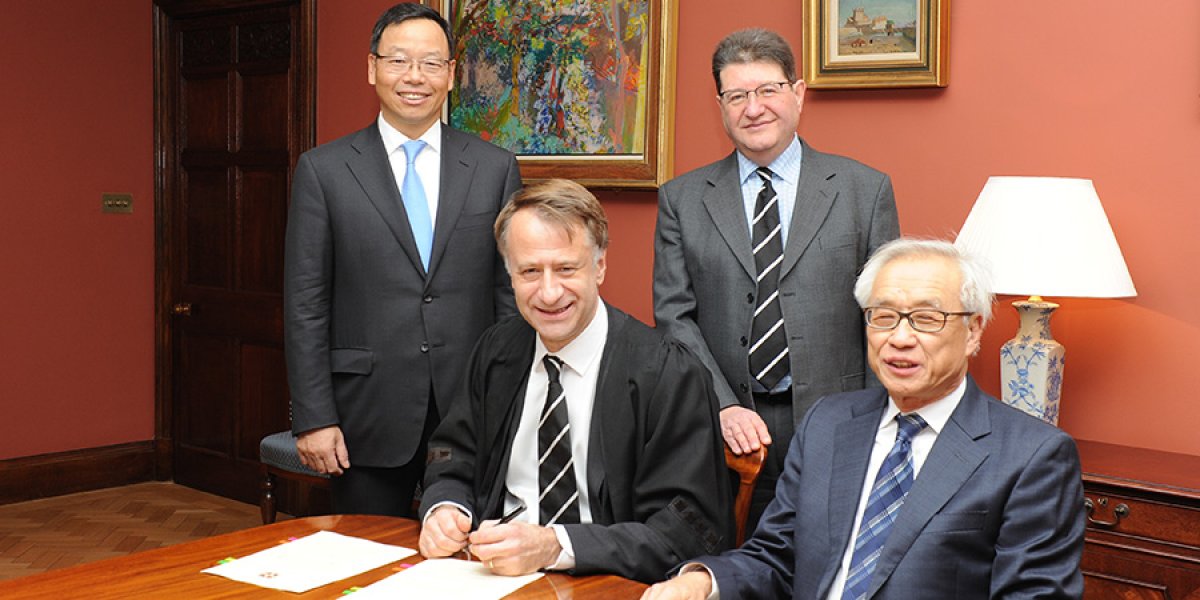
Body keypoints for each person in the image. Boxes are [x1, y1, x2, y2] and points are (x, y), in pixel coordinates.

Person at [642, 238, 1086, 600]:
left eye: (927, 319)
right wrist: (702, 581)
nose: (900, 339)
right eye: (883, 316)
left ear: (972, 332)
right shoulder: (829, 424)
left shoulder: (1031, 456)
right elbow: (776, 555)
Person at [418, 179, 733, 583]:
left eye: (566, 268)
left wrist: (557, 545)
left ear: (600, 266)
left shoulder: (668, 374)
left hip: (606, 582)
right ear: (509, 274)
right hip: (490, 579)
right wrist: (446, 508)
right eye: (530, 271)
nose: (549, 293)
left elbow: (688, 531)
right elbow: (452, 452)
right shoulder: (497, 352)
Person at [653, 28, 900, 529]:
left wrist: (877, 421)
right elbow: (674, 317)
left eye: (768, 90)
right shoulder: (682, 199)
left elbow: (887, 316)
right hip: (727, 428)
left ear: (798, 94)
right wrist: (720, 406)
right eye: (737, 95)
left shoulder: (863, 190)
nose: (754, 108)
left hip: (840, 420)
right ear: (720, 104)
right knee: (736, 565)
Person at [283, 3, 521, 516]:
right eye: (398, 61)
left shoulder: (493, 167)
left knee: (471, 569)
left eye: (432, 63)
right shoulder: (323, 171)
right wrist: (313, 417)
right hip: (364, 418)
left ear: (452, 75)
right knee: (365, 567)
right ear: (372, 69)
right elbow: (305, 304)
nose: (415, 77)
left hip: (471, 411)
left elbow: (510, 296)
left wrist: (509, 402)